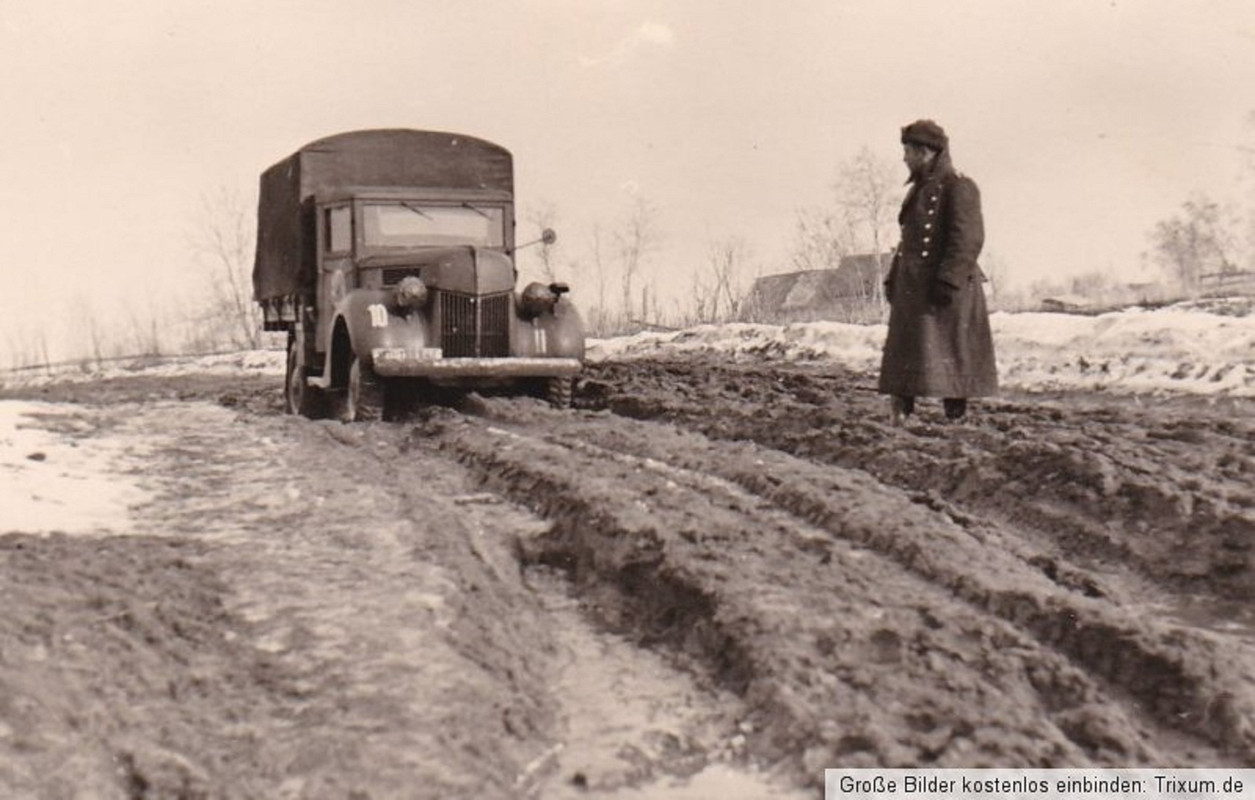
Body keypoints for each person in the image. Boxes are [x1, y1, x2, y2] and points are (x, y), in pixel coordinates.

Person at [878, 119, 998, 424]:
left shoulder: (959, 186)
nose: (904, 158)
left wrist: (948, 280)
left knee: (952, 356)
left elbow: (968, 238)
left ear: (927, 152)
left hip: (945, 291)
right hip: (915, 287)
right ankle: (901, 415)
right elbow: (909, 239)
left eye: (908, 151)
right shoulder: (918, 190)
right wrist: (895, 276)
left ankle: (954, 417)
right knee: (905, 352)